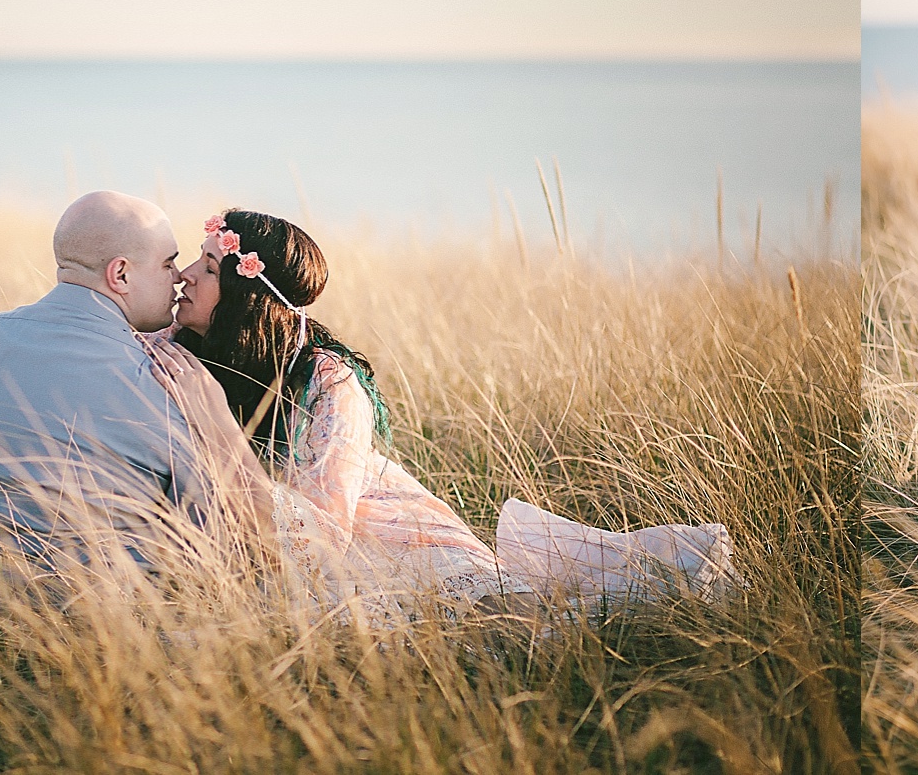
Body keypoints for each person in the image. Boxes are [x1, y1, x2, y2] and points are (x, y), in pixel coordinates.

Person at [140, 209, 742, 620]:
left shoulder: (328, 380)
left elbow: (323, 536)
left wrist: (219, 431)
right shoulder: (181, 351)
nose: (185, 276)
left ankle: (665, 587)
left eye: (209, 269)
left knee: (531, 624)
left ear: (248, 297)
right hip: (272, 561)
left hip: (399, 548)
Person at [0, 191, 232, 628]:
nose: (178, 278)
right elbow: (204, 543)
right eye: (168, 263)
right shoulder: (169, 383)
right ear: (121, 274)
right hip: (103, 648)